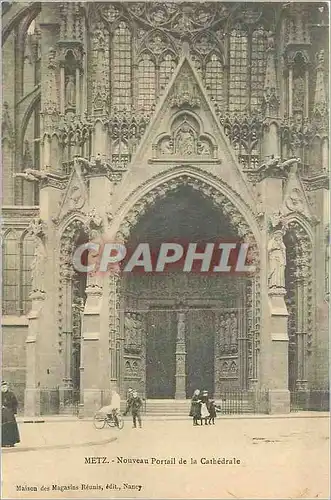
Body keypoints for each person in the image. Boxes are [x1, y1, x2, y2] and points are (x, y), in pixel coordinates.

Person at [1, 382, 20, 447]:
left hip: (10, 414)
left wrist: (14, 412)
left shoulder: (11, 394)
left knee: (11, 427)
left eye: (5, 387)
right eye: (2, 387)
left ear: (7, 387)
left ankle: (11, 442)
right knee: (3, 428)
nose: (4, 388)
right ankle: (2, 442)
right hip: (2, 415)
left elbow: (15, 403)